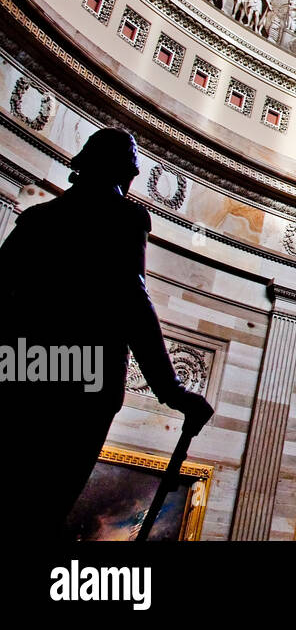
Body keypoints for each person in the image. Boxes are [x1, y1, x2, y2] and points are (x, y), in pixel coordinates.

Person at [0, 129, 213, 538]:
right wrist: (172, 392)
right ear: (123, 172)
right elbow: (133, 301)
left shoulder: (37, 219)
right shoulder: (124, 219)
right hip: (83, 383)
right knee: (46, 503)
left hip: (22, 372)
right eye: (130, 169)